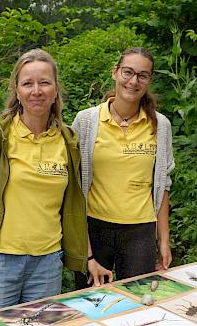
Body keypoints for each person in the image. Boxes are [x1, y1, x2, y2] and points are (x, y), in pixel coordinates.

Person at [0, 49, 88, 313]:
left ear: (55, 89)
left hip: (48, 262)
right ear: (17, 91)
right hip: (0, 261)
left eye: (44, 82)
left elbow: (74, 203)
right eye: (28, 83)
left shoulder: (68, 140)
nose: (37, 91)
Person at [72, 47, 175, 289]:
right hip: (95, 228)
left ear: (149, 81)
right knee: (92, 303)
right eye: (127, 72)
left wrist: (164, 241)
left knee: (139, 303)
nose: (133, 81)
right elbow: (74, 187)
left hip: (140, 231)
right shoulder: (86, 121)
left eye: (142, 75)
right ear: (115, 73)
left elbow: (163, 185)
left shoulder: (160, 125)